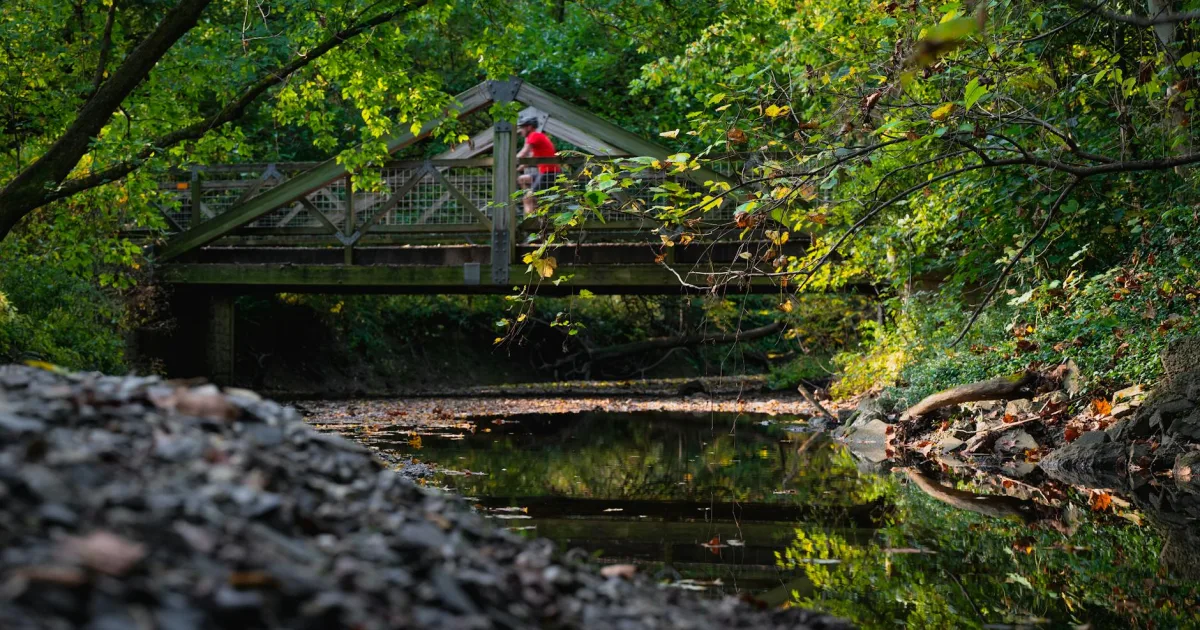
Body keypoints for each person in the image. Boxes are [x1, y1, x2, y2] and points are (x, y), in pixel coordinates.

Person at [515, 114, 562, 216]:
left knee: (527, 198)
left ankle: (531, 220)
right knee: (522, 179)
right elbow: (530, 159)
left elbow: (523, 153)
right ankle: (534, 205)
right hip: (546, 172)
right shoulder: (535, 138)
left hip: (549, 173)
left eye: (522, 127)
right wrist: (517, 169)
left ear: (529, 127)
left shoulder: (534, 135)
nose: (521, 130)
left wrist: (510, 162)